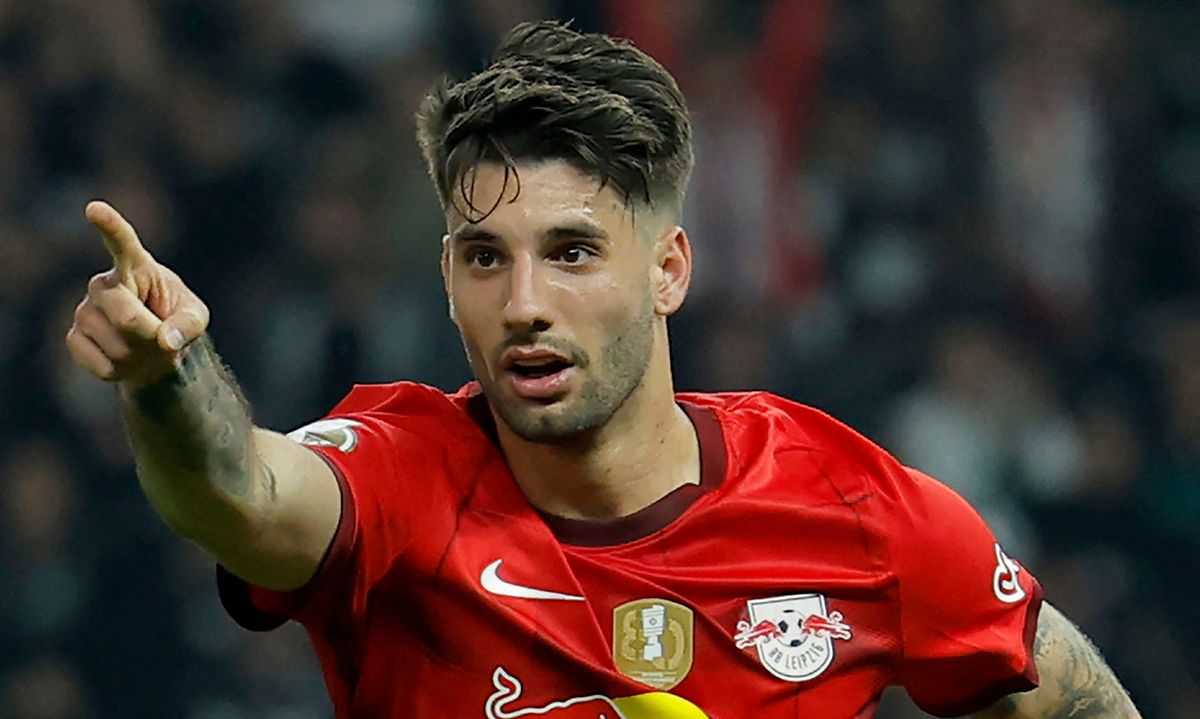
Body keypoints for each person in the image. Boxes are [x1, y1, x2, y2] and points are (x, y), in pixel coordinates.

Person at [65, 20, 1140, 719]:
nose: (524, 302)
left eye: (572, 252)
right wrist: (168, 377)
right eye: (485, 257)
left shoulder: (845, 503)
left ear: (669, 267)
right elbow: (239, 491)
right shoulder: (400, 469)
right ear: (447, 277)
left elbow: (1077, 699)